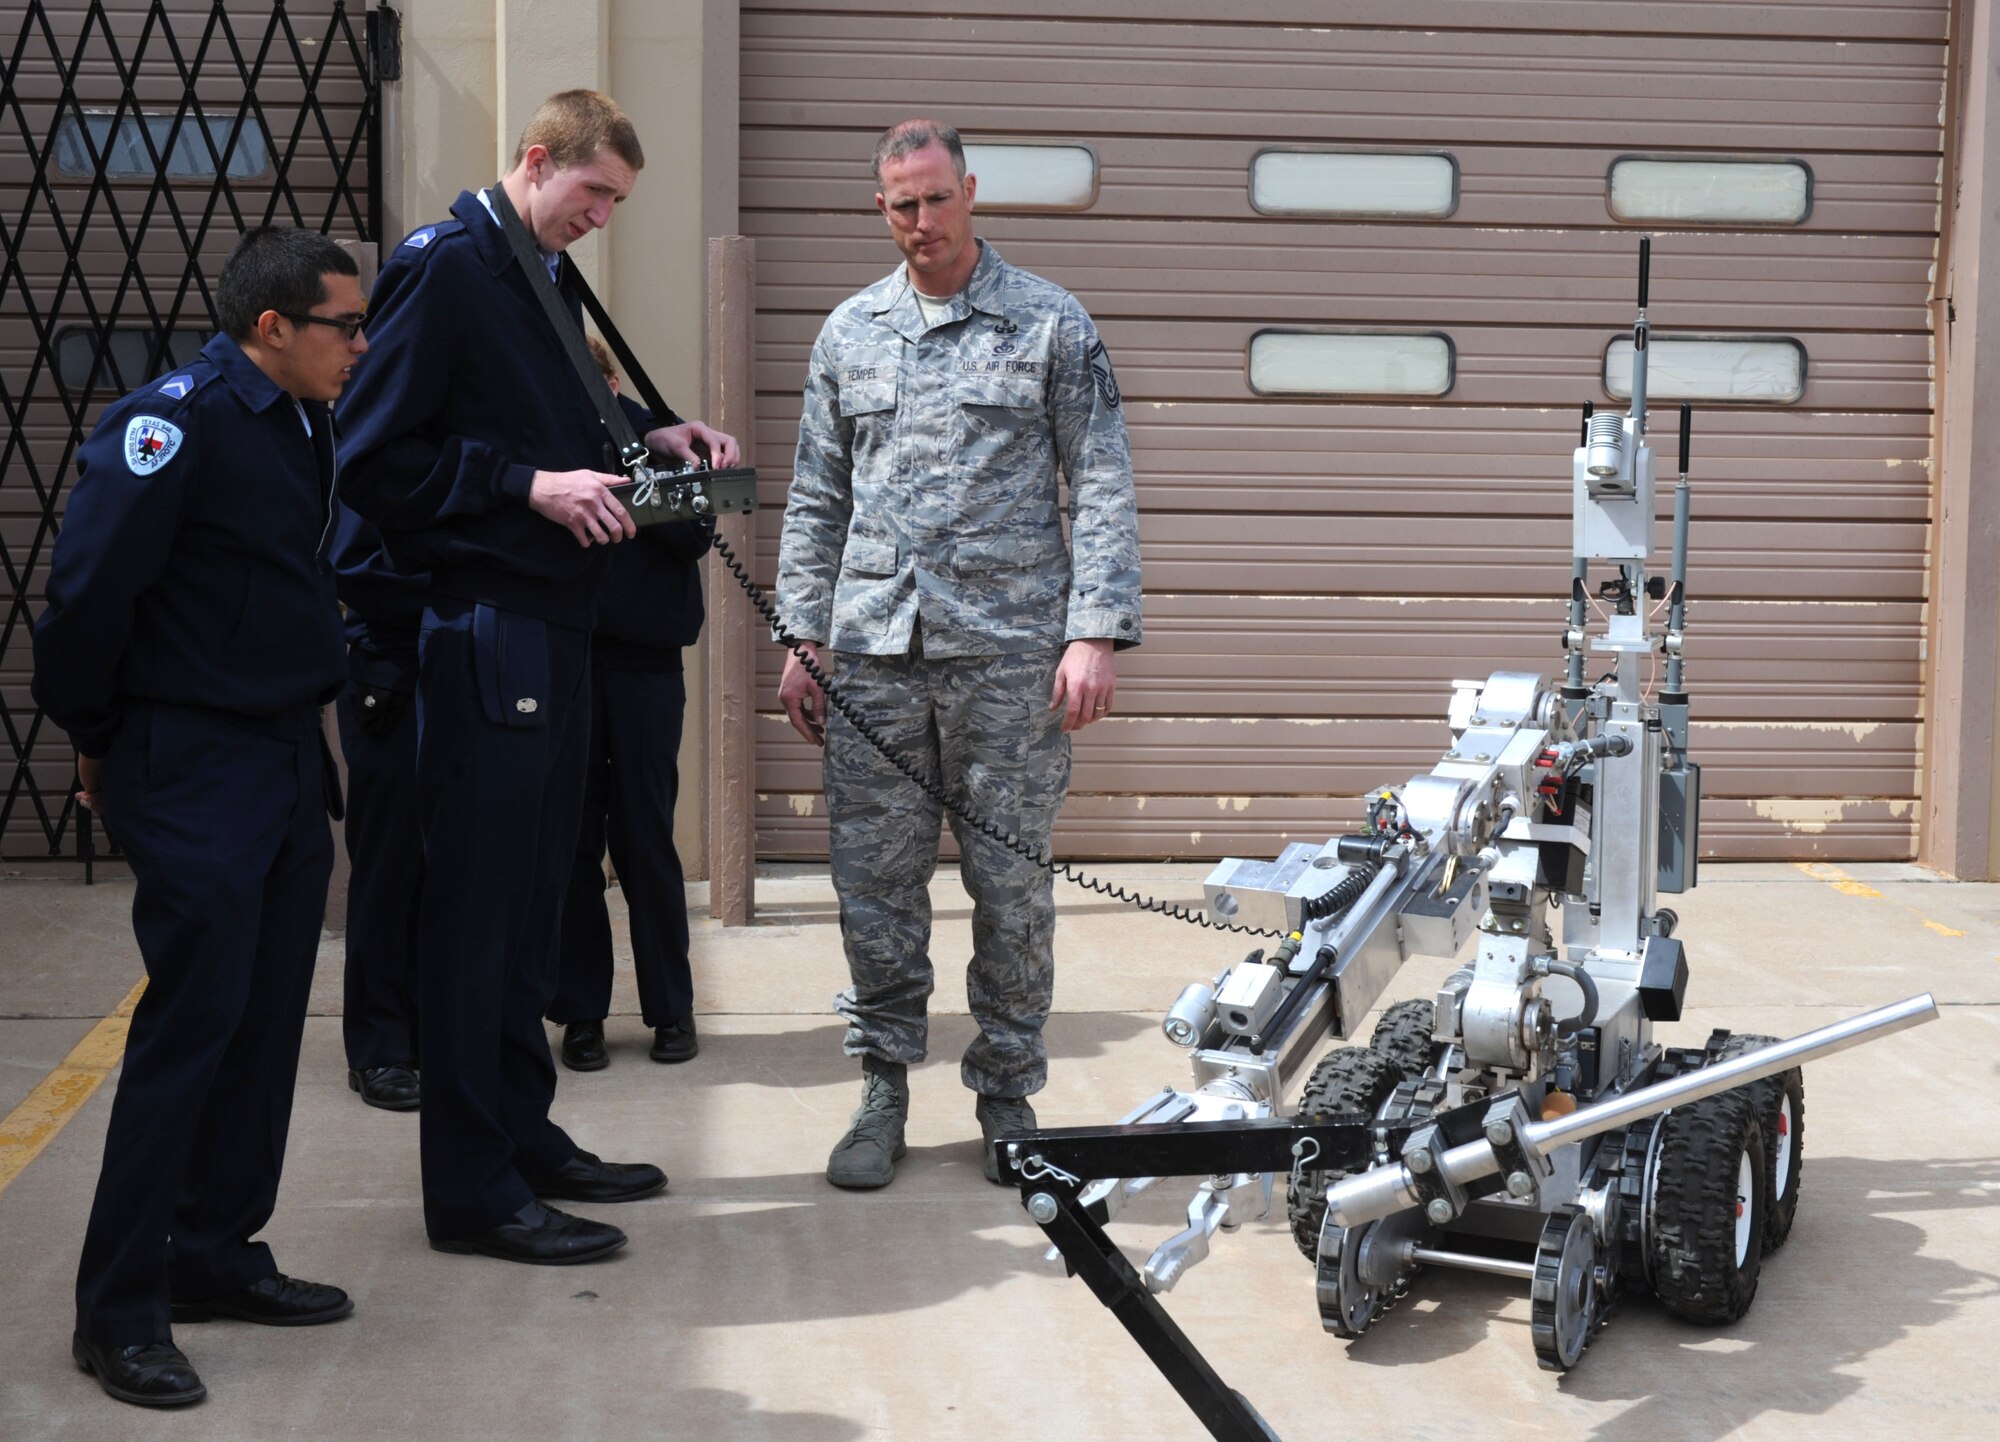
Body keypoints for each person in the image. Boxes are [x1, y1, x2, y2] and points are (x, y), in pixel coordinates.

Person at [336, 89, 738, 1264]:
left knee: (526, 910)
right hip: (488, 629)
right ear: (534, 160)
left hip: (556, 626)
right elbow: (374, 452)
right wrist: (525, 490)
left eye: (617, 200)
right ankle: (472, 1189)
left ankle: (522, 1137)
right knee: (477, 917)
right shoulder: (451, 266)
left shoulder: (535, 269)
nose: (603, 217)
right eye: (594, 192)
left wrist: (642, 441)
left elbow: (535, 412)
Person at [33, 227, 365, 1406]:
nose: (360, 344)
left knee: (263, 1026)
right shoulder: (167, 424)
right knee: (188, 1033)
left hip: (278, 757)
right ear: (272, 327)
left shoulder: (299, 416)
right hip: (191, 763)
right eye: (344, 324)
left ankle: (215, 1252)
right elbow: (85, 598)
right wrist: (99, 736)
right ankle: (117, 1311)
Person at [776, 119, 1142, 1190]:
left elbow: (1103, 480)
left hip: (1010, 655)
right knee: (873, 886)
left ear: (969, 192)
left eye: (936, 199)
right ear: (879, 208)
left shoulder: (1046, 323)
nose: (921, 222)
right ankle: (882, 1085)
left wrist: (1092, 630)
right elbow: (815, 496)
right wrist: (802, 633)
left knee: (1009, 882)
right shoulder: (848, 334)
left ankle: (1006, 1092)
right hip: (876, 657)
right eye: (901, 204)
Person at [550, 338, 706, 1072]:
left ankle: (671, 1011)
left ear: (611, 376)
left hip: (644, 666)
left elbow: (695, 535)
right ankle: (581, 1014)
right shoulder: (546, 444)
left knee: (644, 836)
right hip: (567, 662)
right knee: (574, 839)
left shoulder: (659, 437)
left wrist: (631, 450)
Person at [329, 498, 426, 1111]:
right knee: (391, 868)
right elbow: (353, 565)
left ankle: (434, 1030)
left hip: (477, 673)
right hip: (397, 677)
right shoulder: (384, 432)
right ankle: (380, 1047)